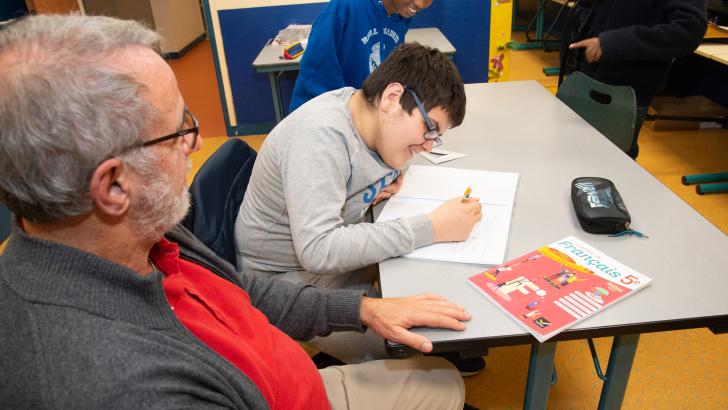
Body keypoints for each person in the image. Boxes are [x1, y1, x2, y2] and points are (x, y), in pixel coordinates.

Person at [0, 14, 470, 409]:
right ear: (114, 185)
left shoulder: (146, 232)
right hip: (286, 386)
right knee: (441, 379)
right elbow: (314, 253)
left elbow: (238, 290)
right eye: (177, 133)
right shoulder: (114, 381)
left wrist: (362, 308)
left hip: (283, 358)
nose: (195, 145)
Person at [236, 43, 481, 292]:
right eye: (429, 128)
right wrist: (430, 228)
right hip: (285, 284)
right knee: (426, 308)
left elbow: (372, 157)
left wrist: (386, 178)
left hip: (327, 265)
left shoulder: (366, 114)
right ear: (392, 98)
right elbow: (317, 249)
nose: (428, 147)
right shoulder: (320, 137)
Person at [567, 0, 707, 159]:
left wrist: (611, 43)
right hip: (583, 76)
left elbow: (688, 31)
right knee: (573, 153)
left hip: (624, 89)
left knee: (610, 163)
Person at [289, 0, 434, 112]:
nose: (420, 3)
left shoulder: (402, 13)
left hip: (363, 112)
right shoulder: (347, 6)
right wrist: (353, 112)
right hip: (324, 113)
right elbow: (315, 75)